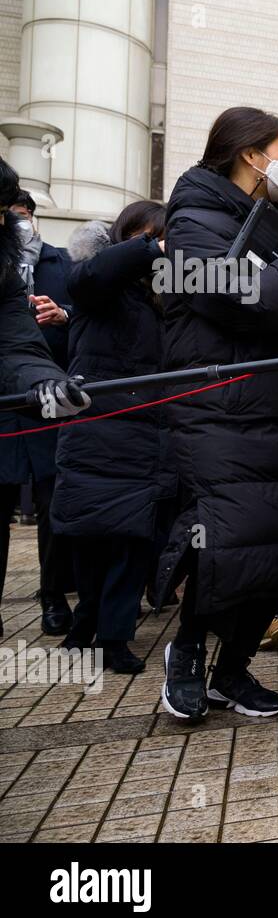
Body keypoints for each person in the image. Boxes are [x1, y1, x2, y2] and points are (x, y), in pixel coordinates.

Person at [153, 106, 278, 723]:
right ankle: (189, 652)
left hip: (276, 400)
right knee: (226, 532)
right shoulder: (193, 220)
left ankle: (233, 670)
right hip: (215, 408)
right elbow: (251, 301)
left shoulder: (266, 219)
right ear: (252, 154)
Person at [53, 203, 175, 673]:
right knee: (90, 541)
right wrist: (149, 248)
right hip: (95, 435)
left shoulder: (163, 300)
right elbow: (88, 278)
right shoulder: (98, 285)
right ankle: (85, 625)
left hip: (146, 438)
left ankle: (113, 637)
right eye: (147, 238)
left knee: (131, 543)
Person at [0, 161, 89, 637]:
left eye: (12, 212)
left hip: (40, 405)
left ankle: (54, 596)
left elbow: (18, 341)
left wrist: (47, 378)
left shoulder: (59, 265)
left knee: (55, 505)